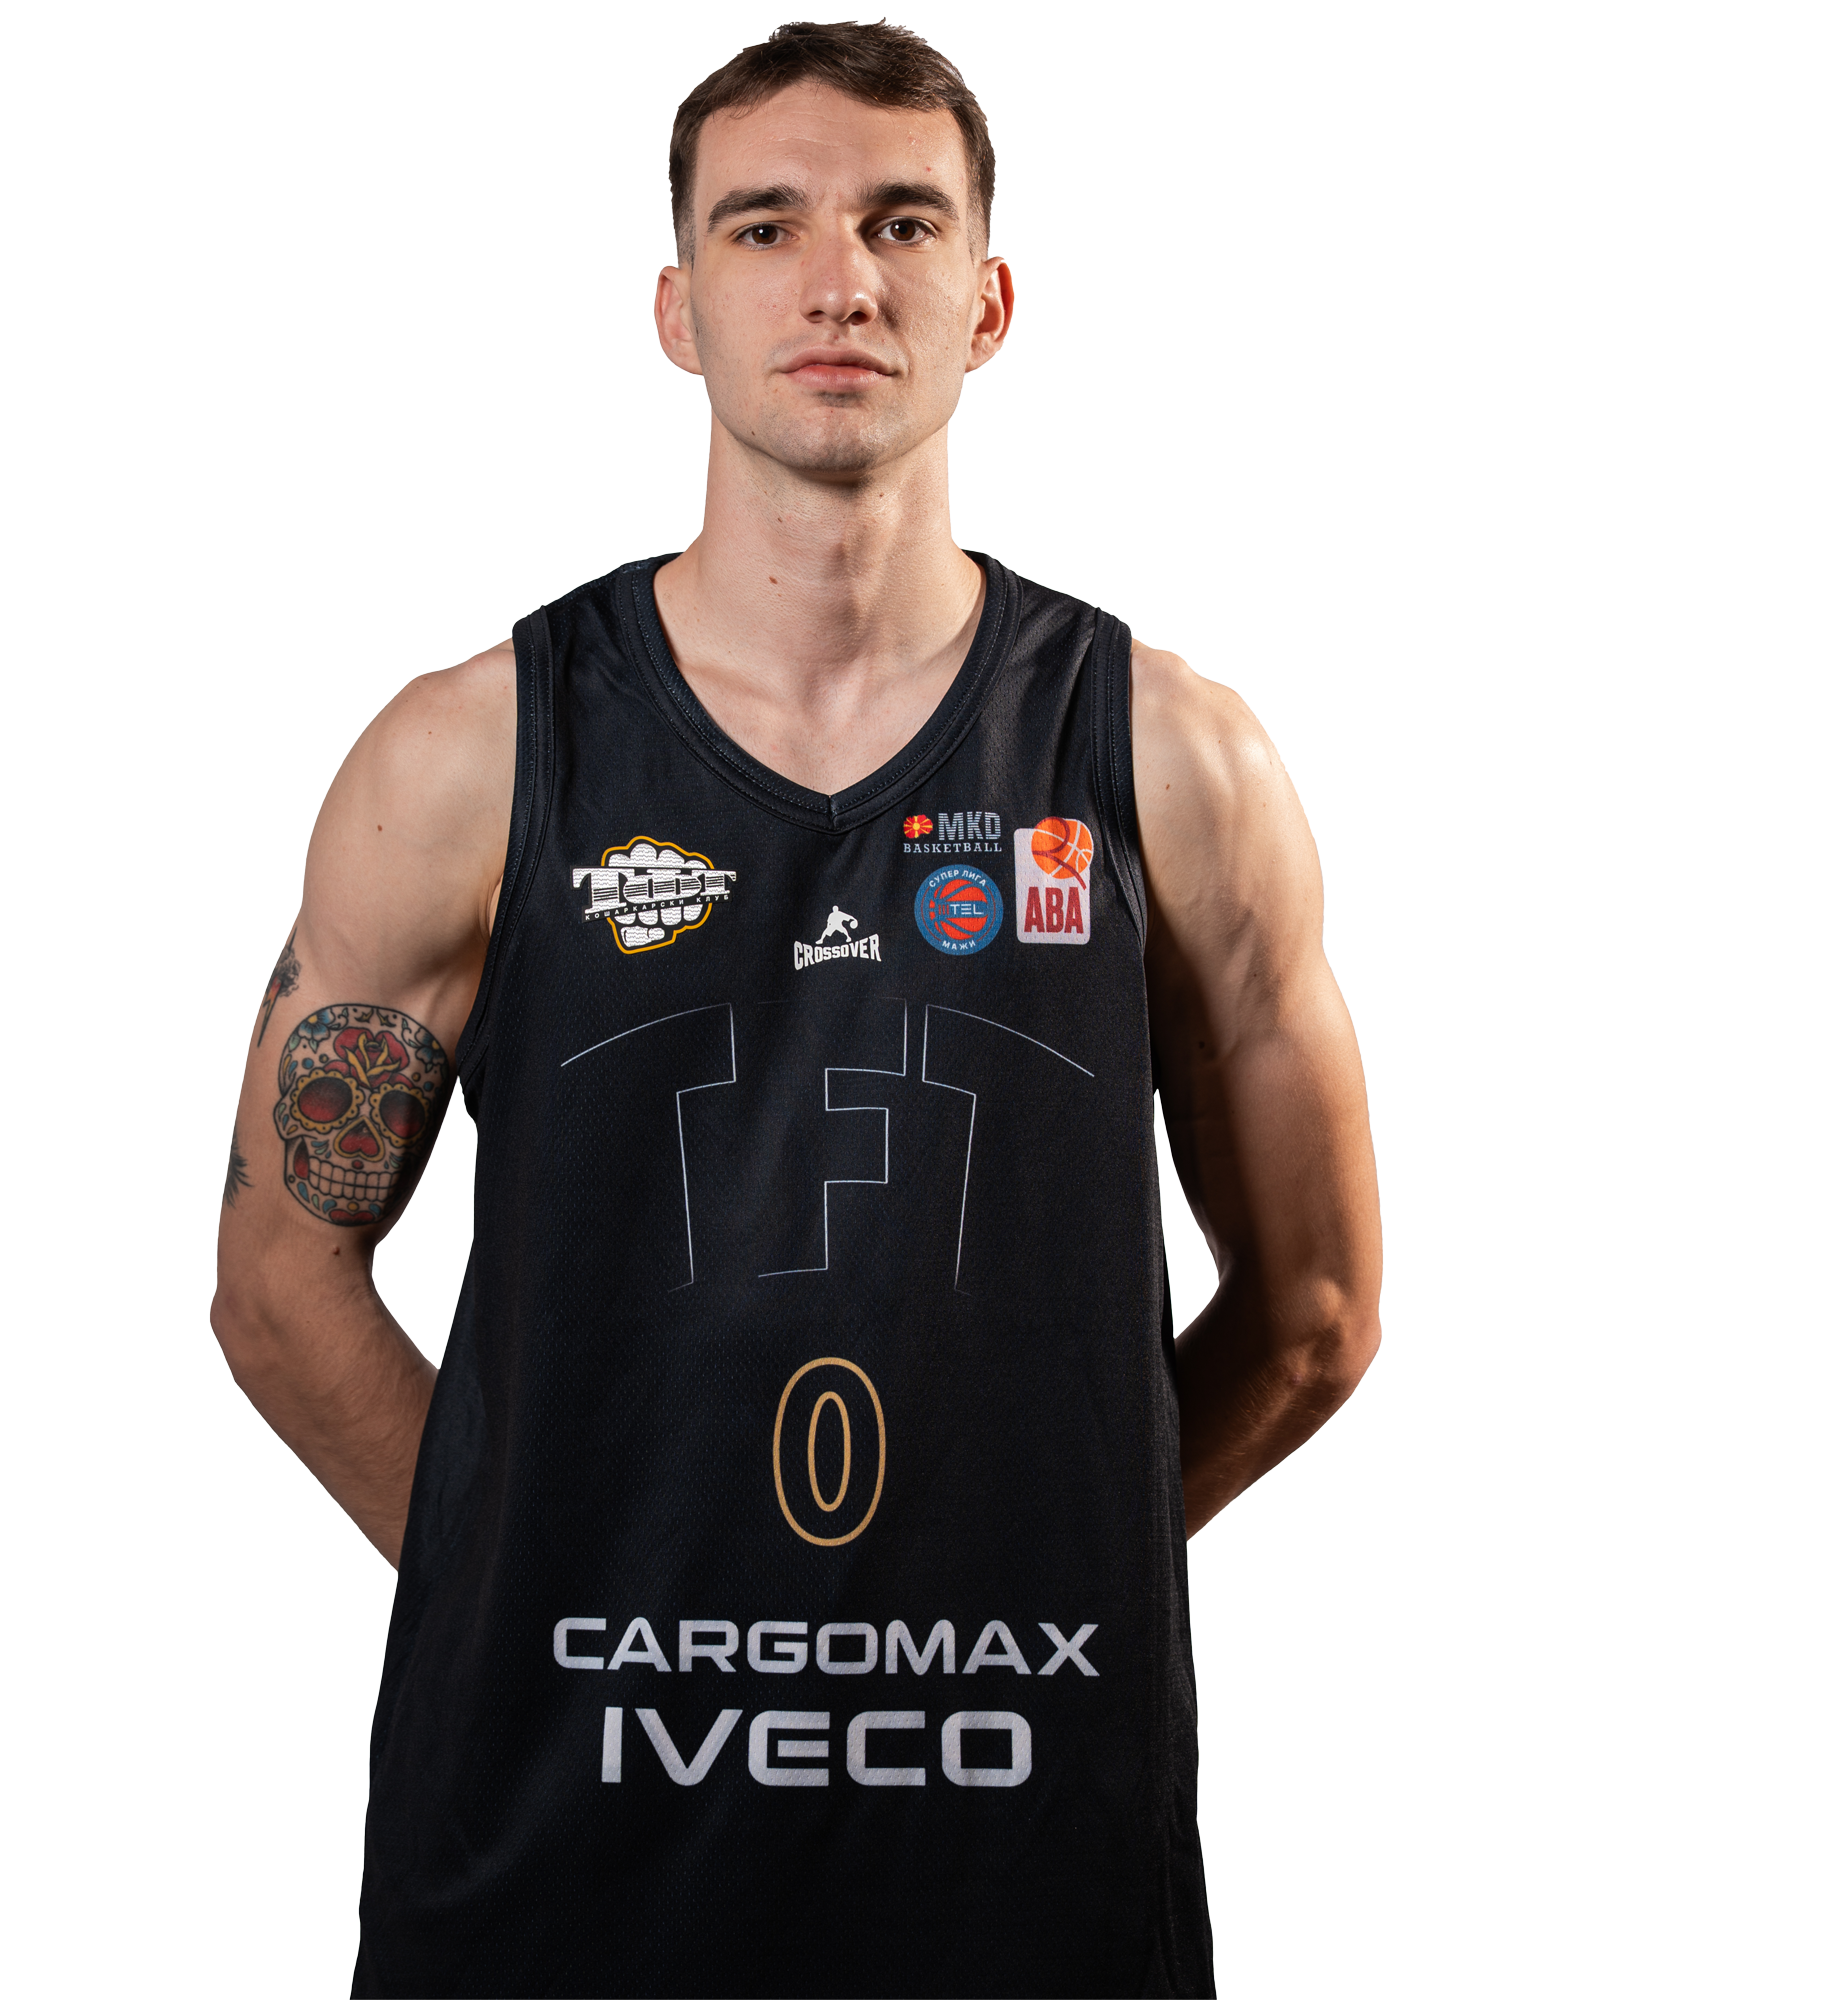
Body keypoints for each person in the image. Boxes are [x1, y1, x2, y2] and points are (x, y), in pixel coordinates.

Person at [213, 20, 1381, 1997]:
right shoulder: (469, 758)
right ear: (678, 308)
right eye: (766, 227)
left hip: (1021, 1873)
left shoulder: (1173, 759)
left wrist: (1035, 1576)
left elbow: (1318, 1308)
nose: (839, 279)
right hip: (550, 1875)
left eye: (901, 222)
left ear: (987, 301)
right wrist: (557, 1597)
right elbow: (277, 1279)